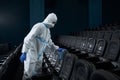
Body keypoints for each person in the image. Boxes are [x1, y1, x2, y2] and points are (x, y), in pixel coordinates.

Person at [20, 13, 64, 80]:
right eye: (53, 22)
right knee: (28, 74)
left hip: (39, 55)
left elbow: (49, 41)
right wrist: (24, 52)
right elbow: (27, 39)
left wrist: (56, 48)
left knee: (38, 73)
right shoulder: (39, 26)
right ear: (49, 20)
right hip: (32, 53)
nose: (54, 25)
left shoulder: (47, 30)